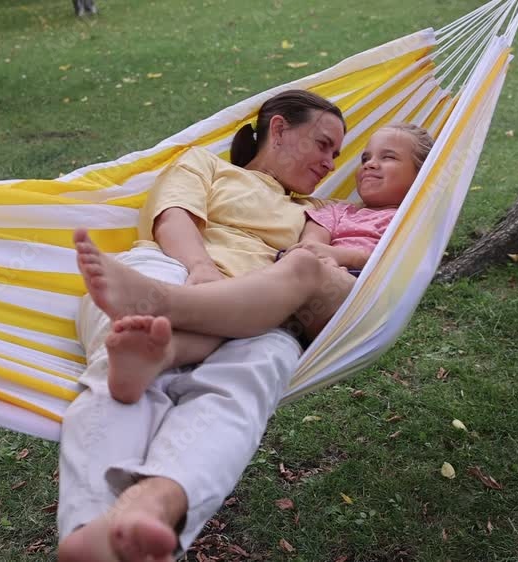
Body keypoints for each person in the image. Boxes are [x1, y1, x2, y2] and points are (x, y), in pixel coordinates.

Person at [56, 89, 347, 562]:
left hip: (255, 308)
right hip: (171, 265)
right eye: (323, 144)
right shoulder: (207, 165)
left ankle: (135, 511)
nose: (331, 163)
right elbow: (172, 218)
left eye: (336, 154)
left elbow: (314, 267)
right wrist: (201, 268)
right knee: (121, 354)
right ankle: (122, 518)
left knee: (253, 371)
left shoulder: (314, 211)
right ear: (278, 129)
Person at [75, 123, 435, 404]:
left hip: (356, 300)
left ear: (422, 174)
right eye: (365, 157)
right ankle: (155, 357)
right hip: (300, 299)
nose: (370, 163)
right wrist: (316, 252)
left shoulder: (415, 220)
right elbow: (311, 242)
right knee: (251, 309)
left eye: (388, 157)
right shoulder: (335, 209)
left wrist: (341, 257)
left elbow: (395, 261)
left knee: (303, 268)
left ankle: (161, 301)